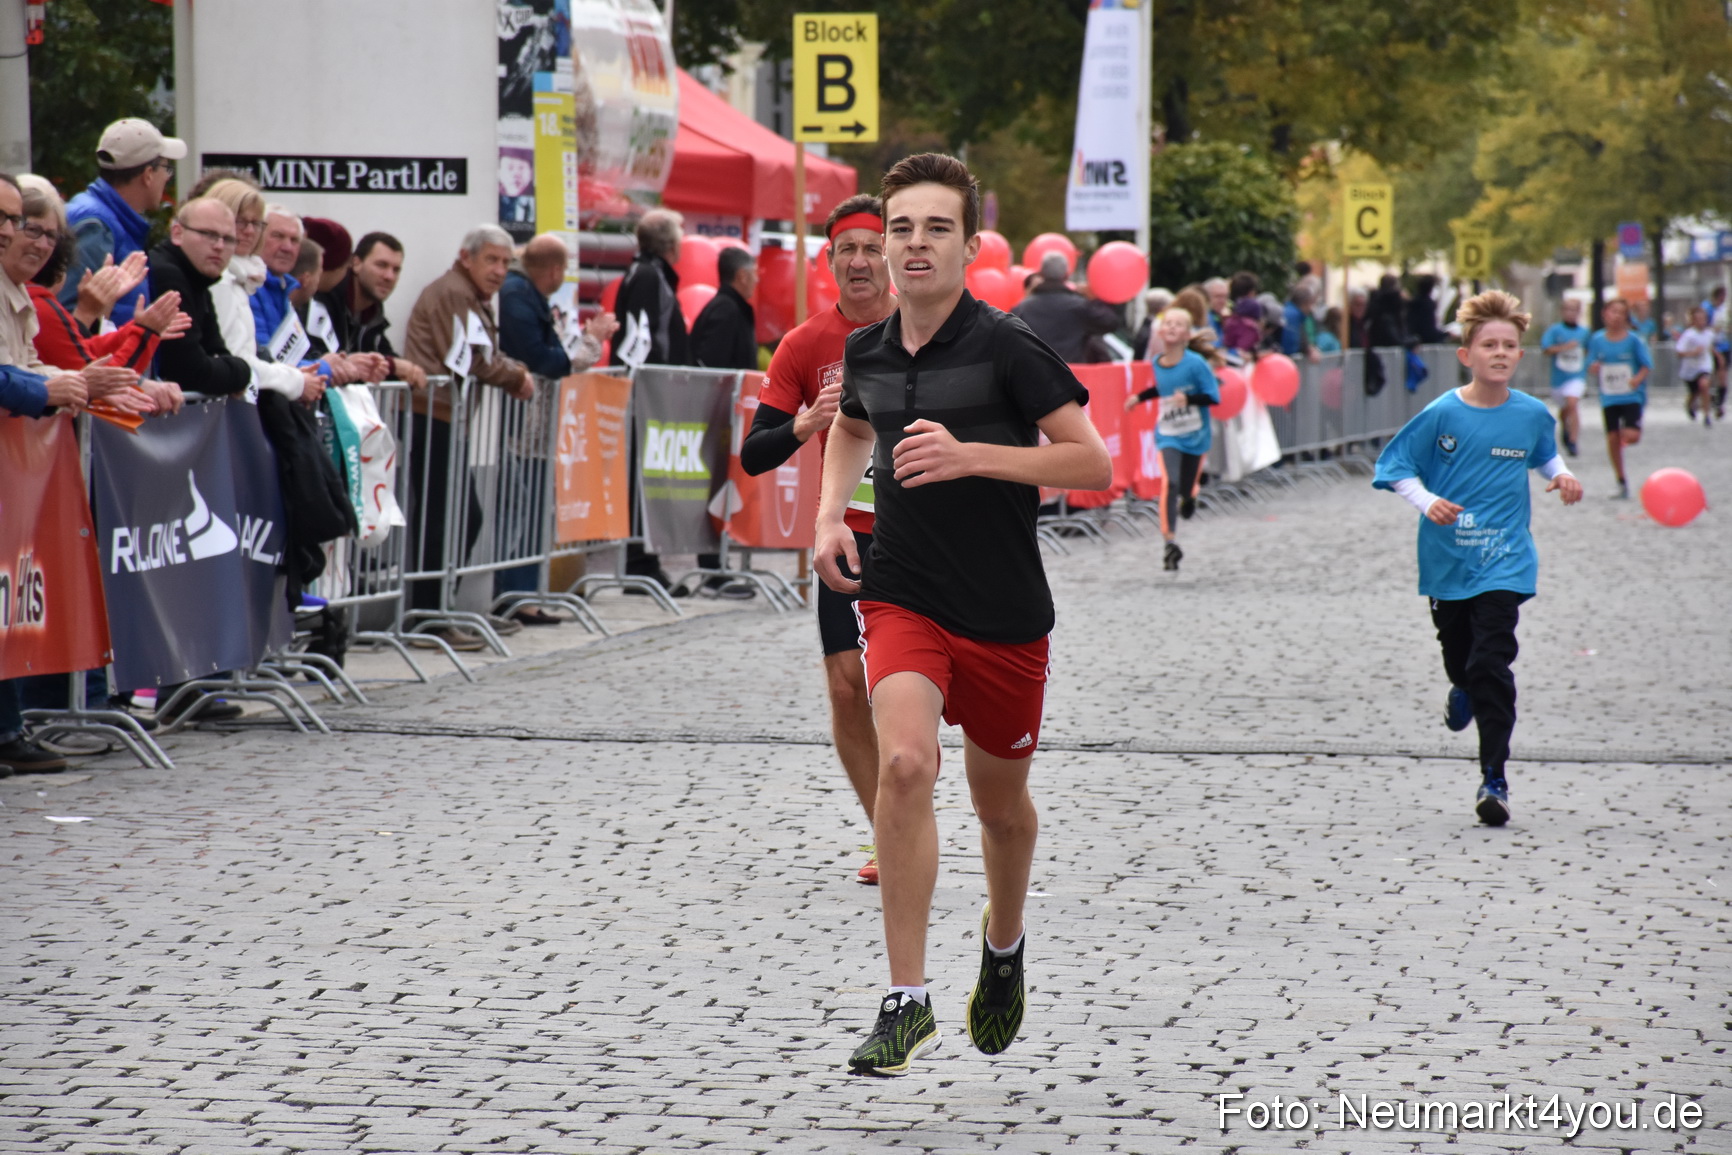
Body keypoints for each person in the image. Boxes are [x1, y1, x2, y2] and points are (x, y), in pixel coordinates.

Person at [812, 153, 1110, 1076]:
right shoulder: (868, 349)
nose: (914, 244)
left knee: (1001, 808)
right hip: (903, 590)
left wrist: (975, 455)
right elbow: (852, 425)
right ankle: (906, 1000)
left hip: (1005, 609)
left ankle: (1004, 944)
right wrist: (829, 514)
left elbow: (1092, 462)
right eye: (900, 228)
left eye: (936, 228)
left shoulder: (1008, 345)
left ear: (970, 246)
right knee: (905, 762)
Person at [1372, 290, 1582, 826]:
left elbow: (1544, 453)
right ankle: (1461, 685)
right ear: (1466, 354)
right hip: (1448, 560)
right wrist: (1428, 501)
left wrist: (1561, 474)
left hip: (1505, 559)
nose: (1500, 353)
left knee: (1492, 663)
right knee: (1461, 658)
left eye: (1509, 345)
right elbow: (1394, 467)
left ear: (1520, 354)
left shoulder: (1531, 414)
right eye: (1489, 345)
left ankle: (1494, 778)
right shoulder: (1443, 413)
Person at [740, 193, 898, 886]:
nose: (860, 262)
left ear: (892, 255)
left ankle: (922, 796)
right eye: (847, 251)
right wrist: (804, 423)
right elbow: (754, 454)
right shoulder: (805, 344)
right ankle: (889, 831)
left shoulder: (931, 324)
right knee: (845, 685)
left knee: (917, 688)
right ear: (829, 261)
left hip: (929, 533)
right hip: (849, 536)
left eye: (871, 248)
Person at [402, 223, 534, 639]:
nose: (499, 271)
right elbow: (471, 359)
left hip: (445, 415)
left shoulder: (470, 295)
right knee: (446, 519)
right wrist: (516, 377)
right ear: (466, 257)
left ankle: (438, 610)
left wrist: (512, 370)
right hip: (431, 413)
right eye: (491, 260)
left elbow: (481, 354)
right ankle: (428, 615)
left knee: (457, 517)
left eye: (506, 263)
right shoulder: (455, 293)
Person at [494, 232, 619, 620]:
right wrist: (591, 340)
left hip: (529, 429)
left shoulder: (522, 295)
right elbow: (548, 361)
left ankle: (525, 594)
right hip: (522, 429)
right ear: (554, 270)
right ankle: (517, 596)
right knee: (525, 513)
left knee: (532, 514)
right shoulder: (518, 297)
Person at [9, 176, 184, 412]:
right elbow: (97, 378)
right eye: (32, 230)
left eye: (51, 236)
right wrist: (144, 333)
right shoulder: (40, 306)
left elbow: (77, 359)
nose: (42, 245)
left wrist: (135, 330)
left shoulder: (29, 299)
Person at [201, 181, 328, 406]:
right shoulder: (222, 280)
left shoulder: (247, 278)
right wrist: (298, 381)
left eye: (255, 223)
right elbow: (236, 360)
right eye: (240, 221)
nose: (249, 231)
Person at [60, 119, 186, 326]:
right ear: (148, 175)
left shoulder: (106, 219)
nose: (167, 177)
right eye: (166, 168)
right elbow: (68, 320)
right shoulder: (96, 226)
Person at [1124, 307, 1220, 573]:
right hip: (1168, 433)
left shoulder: (1196, 364)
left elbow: (1213, 396)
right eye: (1168, 323)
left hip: (1195, 434)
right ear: (1161, 331)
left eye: (1178, 324)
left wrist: (1188, 399)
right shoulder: (1157, 363)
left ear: (1187, 334)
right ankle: (1170, 541)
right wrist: (1139, 397)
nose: (1172, 327)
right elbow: (1162, 388)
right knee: (1171, 481)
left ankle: (1189, 497)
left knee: (1186, 487)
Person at [314, 231, 427, 388]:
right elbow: (322, 357)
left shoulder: (372, 311)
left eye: (396, 270)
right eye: (381, 265)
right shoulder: (325, 298)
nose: (389, 276)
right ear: (356, 264)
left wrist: (407, 370)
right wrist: (393, 366)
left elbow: (381, 354)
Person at [1585, 297, 1651, 500]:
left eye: (1621, 313)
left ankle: (1626, 435)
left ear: (1626, 317)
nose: (1616, 316)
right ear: (1604, 314)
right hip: (1609, 397)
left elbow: (1646, 365)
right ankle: (1621, 480)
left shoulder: (1634, 340)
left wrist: (1637, 379)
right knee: (1612, 438)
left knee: (1632, 436)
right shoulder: (1597, 340)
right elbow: (1590, 364)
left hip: (1631, 396)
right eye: (1613, 311)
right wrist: (1594, 367)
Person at [1009, 252, 1120, 364]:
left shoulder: (1021, 309)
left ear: (1041, 274)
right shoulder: (1079, 306)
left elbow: (1009, 344)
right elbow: (1110, 322)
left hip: (1033, 373)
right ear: (1067, 275)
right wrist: (1094, 297)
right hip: (1069, 373)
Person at [615, 208, 688, 367]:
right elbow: (641, 334)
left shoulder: (647, 272)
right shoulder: (648, 275)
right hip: (651, 376)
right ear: (672, 246)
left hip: (653, 374)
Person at [689, 246, 759, 370]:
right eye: (754, 272)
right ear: (742, 276)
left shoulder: (726, 307)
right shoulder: (726, 310)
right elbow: (713, 367)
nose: (756, 279)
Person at [1539, 297, 1590, 456]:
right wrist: (1564, 347)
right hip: (1559, 379)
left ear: (1579, 312)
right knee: (1565, 409)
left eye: (1574, 310)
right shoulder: (1555, 330)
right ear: (1562, 311)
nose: (1570, 313)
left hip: (1577, 376)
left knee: (1572, 403)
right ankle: (1565, 428)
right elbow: (1546, 349)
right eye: (1567, 309)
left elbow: (1589, 351)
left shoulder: (1584, 332)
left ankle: (1573, 441)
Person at [1676, 306, 1717, 427]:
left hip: (1704, 365)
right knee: (1694, 392)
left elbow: (1710, 347)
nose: (1701, 322)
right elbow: (1679, 352)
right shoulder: (1689, 335)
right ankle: (1689, 405)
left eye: (1703, 319)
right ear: (1693, 321)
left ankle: (1707, 415)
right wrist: (1693, 353)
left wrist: (1718, 356)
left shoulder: (1709, 334)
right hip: (1690, 369)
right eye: (1698, 319)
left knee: (1704, 385)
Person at [1406, 275, 1449, 345]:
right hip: (1426, 340)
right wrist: (1445, 334)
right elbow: (1428, 328)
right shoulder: (1428, 305)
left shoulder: (1412, 303)